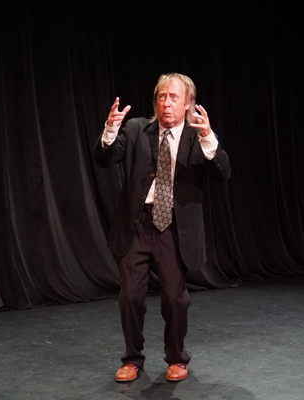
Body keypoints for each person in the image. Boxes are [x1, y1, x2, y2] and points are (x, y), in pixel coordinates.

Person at [93, 73, 231, 383]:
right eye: (161, 97)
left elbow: (222, 173)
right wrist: (110, 129)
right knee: (129, 296)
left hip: (173, 228)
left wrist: (209, 137)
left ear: (188, 104)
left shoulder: (197, 135)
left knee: (175, 298)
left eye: (173, 98)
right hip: (137, 224)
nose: (166, 103)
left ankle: (177, 358)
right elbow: (105, 159)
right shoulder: (136, 129)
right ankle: (132, 358)